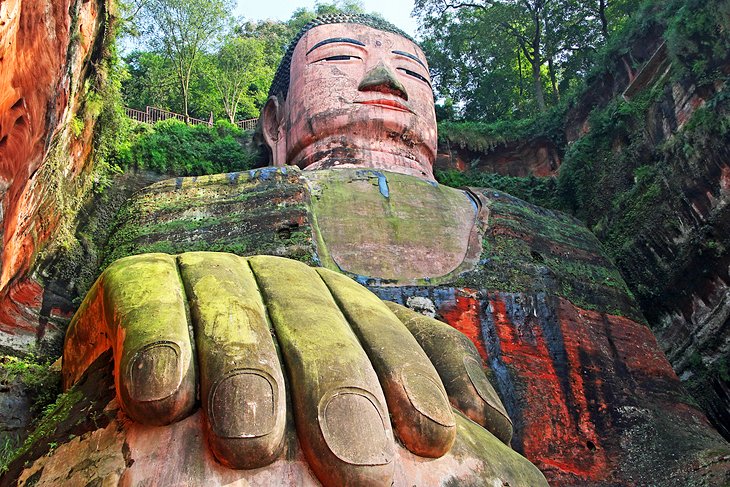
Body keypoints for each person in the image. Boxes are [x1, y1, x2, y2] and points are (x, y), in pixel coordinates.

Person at [52, 14, 549, 487]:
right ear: (275, 122)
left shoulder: (538, 234)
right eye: (338, 59)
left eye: (411, 70)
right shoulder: (190, 203)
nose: (384, 78)